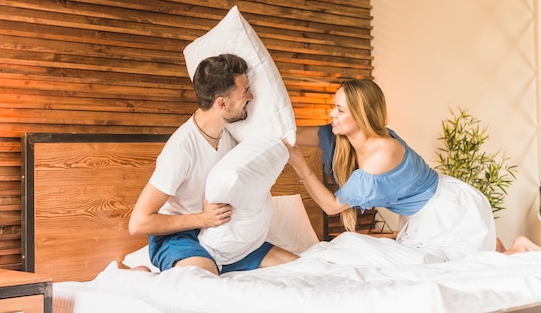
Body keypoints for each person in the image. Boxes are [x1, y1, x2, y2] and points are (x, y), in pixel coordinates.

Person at [283, 78, 540, 261]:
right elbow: (290, 135)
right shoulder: (343, 138)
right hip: (426, 212)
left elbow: (331, 206)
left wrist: (299, 163)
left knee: (450, 268)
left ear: (360, 116)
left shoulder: (382, 152)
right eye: (334, 107)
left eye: (339, 109)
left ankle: (517, 250)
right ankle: (498, 247)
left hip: (446, 211)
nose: (332, 114)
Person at [129, 53, 298, 275]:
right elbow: (138, 223)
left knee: (299, 266)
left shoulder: (233, 134)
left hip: (223, 233)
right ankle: (139, 278)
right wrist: (203, 219)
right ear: (222, 103)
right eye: (244, 92)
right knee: (204, 278)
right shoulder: (180, 151)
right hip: (178, 238)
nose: (251, 97)